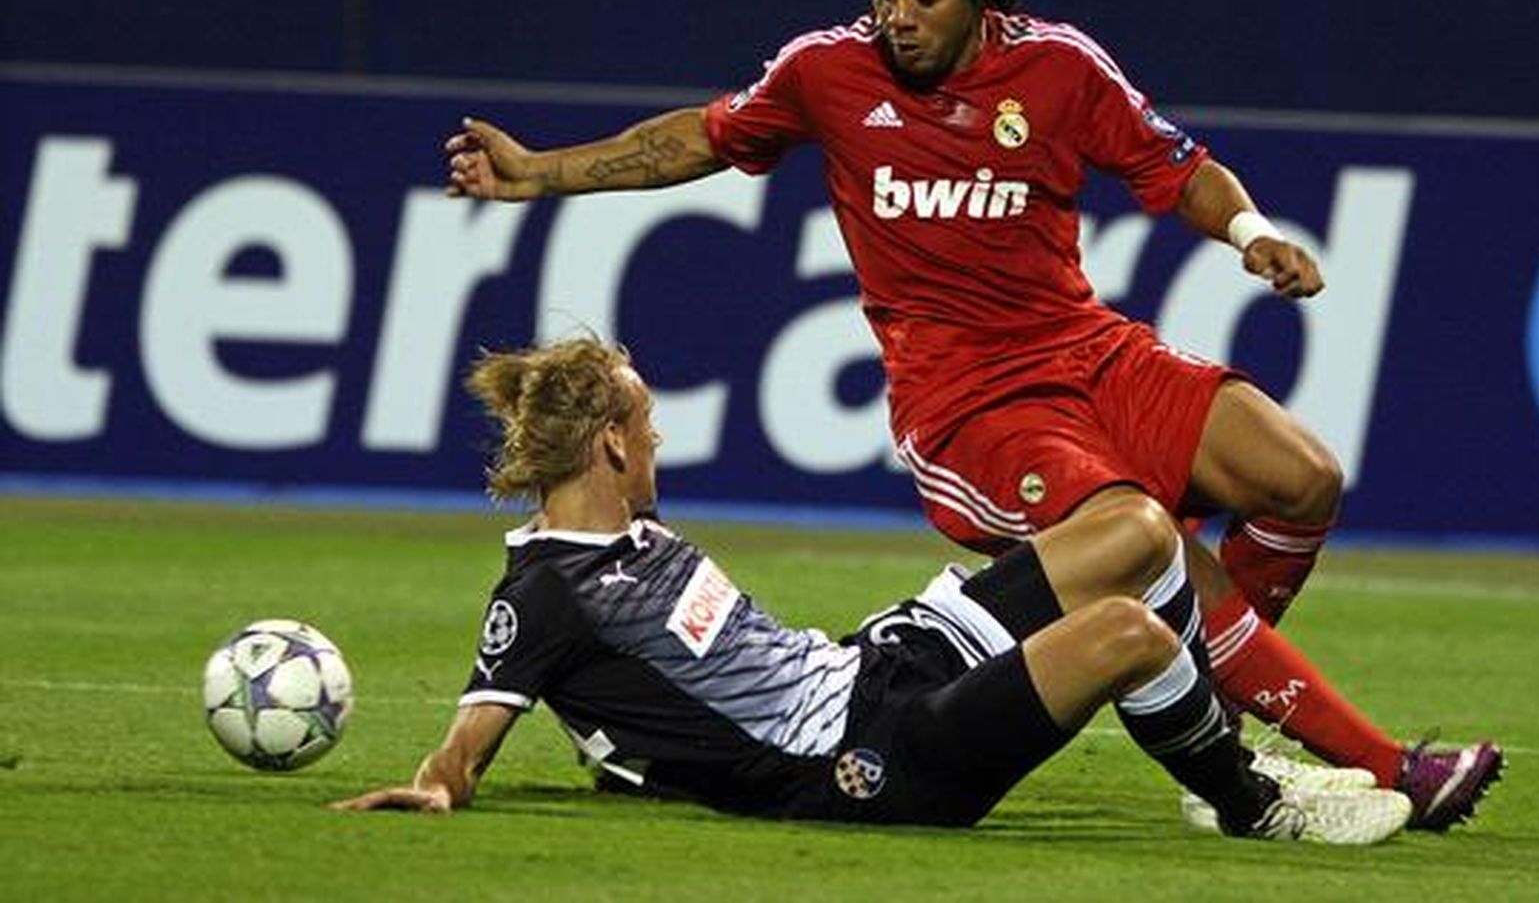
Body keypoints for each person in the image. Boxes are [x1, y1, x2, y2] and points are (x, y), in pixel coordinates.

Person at [438, 0, 1499, 830]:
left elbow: (1175, 166)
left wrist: (1250, 230)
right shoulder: (825, 71)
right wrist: (540, 172)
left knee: (1302, 476)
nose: (894, 16)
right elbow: (695, 139)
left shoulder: (1061, 69)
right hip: (968, 405)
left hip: (1084, 348)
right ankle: (1379, 762)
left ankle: (1214, 698)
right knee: (1152, 544)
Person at [333, 337, 1412, 842]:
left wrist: (634, 759)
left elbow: (671, 692)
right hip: (874, 764)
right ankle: (1251, 804)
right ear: (611, 446)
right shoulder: (548, 590)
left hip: (879, 662)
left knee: (1131, 529)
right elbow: (469, 739)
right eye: (645, 422)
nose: (658, 435)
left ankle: (1206, 740)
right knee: (1125, 633)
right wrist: (438, 783)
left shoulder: (638, 538)